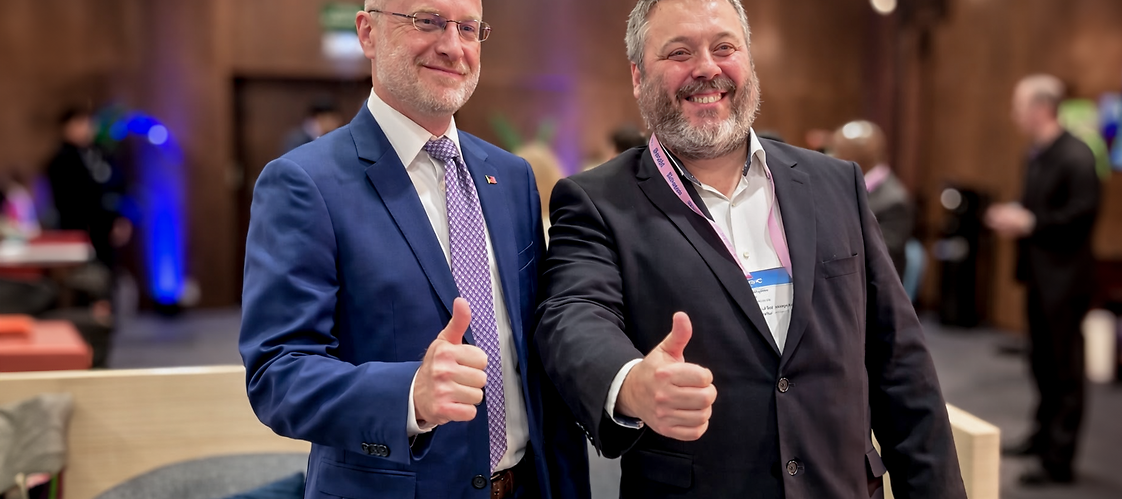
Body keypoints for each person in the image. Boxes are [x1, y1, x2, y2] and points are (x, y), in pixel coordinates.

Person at [534, 0, 966, 497]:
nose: (707, 68)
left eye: (724, 47)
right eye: (679, 52)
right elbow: (573, 313)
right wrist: (631, 382)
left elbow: (901, 366)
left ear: (749, 60)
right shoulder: (597, 201)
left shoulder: (835, 183)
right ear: (637, 76)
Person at [239, 1, 590, 498]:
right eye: (427, 21)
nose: (452, 45)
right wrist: (408, 396)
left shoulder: (510, 178)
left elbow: (534, 347)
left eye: (467, 28)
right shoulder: (304, 183)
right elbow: (278, 373)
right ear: (368, 32)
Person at [986, 74, 1101, 486]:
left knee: (1065, 370)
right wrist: (1017, 213)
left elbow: (1082, 215)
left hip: (1066, 280)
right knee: (1041, 364)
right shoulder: (1036, 153)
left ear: (1040, 108)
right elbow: (1039, 206)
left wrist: (1030, 221)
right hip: (1039, 276)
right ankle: (1042, 435)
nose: (1014, 115)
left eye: (1019, 106)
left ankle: (1059, 459)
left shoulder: (1077, 155)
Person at [830, 120, 914, 279]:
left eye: (835, 151)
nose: (830, 156)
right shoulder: (847, 184)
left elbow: (878, 259)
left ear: (850, 157)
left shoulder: (893, 202)